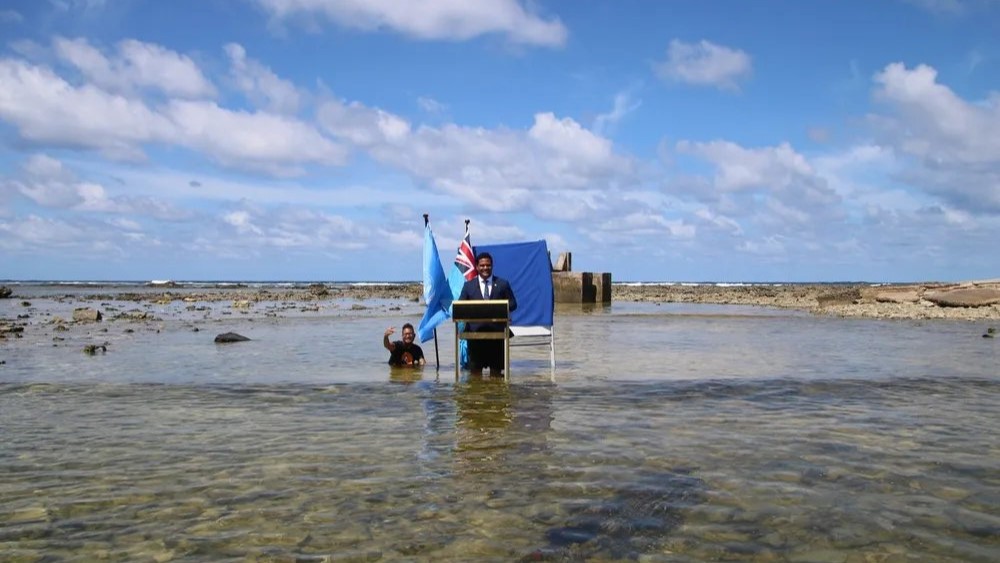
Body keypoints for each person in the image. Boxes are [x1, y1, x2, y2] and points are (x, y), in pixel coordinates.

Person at [458, 252, 517, 376]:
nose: (485, 268)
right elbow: (460, 306)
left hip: (497, 335)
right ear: (477, 267)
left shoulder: (502, 284)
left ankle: (495, 395)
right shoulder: (468, 286)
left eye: (488, 265)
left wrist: (498, 308)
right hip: (475, 336)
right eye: (482, 265)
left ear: (492, 266)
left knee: (496, 374)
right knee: (475, 376)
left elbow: (513, 304)